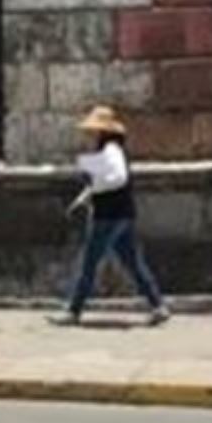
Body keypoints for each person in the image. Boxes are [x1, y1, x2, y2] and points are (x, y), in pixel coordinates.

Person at [50, 105, 171, 327]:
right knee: (133, 262)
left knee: (88, 263)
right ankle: (158, 306)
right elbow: (105, 179)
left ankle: (73, 310)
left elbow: (117, 179)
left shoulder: (110, 151)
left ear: (102, 131)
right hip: (122, 214)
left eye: (93, 130)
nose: (89, 135)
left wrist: (94, 188)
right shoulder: (110, 151)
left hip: (108, 216)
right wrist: (84, 197)